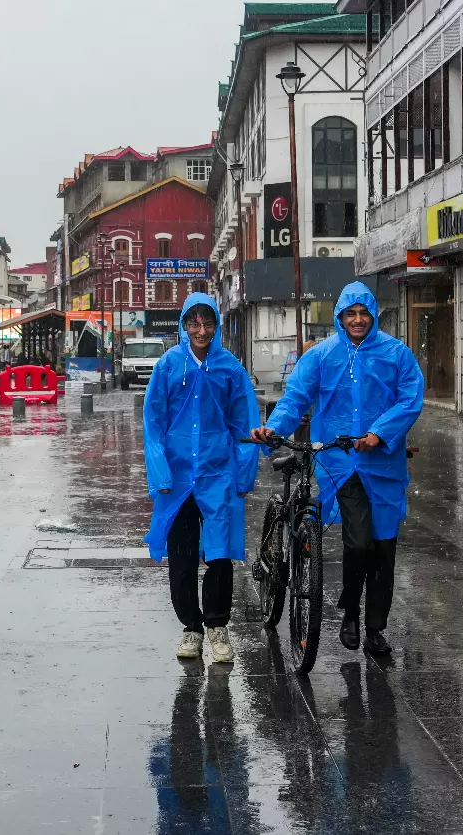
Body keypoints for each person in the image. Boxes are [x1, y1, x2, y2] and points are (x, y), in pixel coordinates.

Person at [252, 282, 423, 656]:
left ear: (373, 316)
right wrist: (275, 429)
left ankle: (375, 627)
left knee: (383, 549)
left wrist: (379, 433)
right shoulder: (322, 356)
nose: (357, 320)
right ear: (340, 317)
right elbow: (296, 396)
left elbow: (411, 399)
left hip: (384, 468)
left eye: (363, 313)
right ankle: (349, 609)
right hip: (341, 466)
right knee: (358, 541)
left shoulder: (397, 354)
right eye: (351, 314)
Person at [143, 294, 261, 664]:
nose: (201, 330)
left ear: (216, 325)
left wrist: (243, 474)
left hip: (217, 473)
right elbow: (154, 423)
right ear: (183, 324)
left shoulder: (230, 369)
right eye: (193, 323)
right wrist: (160, 471)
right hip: (177, 478)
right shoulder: (167, 366)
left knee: (220, 553)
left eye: (207, 323)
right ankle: (191, 628)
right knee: (182, 556)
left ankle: (217, 625)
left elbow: (244, 424)